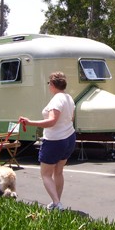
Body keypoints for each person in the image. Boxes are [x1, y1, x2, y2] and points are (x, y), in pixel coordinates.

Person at [18, 72, 76, 210]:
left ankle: (57, 203)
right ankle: (57, 202)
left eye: (49, 83)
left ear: (52, 84)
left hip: (55, 140)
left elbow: (51, 122)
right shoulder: (69, 98)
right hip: (69, 138)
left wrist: (29, 122)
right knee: (58, 171)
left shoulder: (57, 100)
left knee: (45, 174)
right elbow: (70, 119)